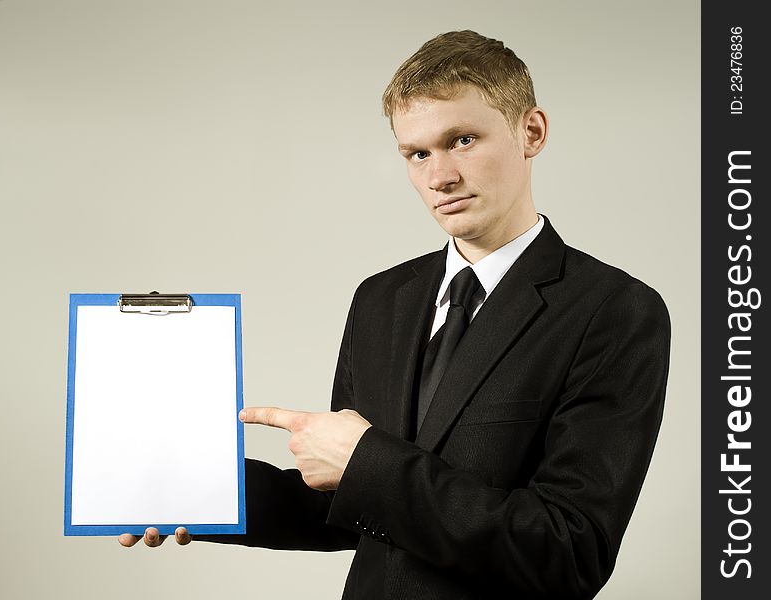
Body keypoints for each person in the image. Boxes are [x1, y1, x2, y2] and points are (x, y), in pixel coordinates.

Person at [120, 30, 670, 600]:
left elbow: (568, 551)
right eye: (418, 153)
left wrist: (365, 462)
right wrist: (200, 492)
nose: (439, 177)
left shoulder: (616, 312)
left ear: (531, 132)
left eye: (462, 140)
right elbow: (346, 504)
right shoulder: (381, 299)